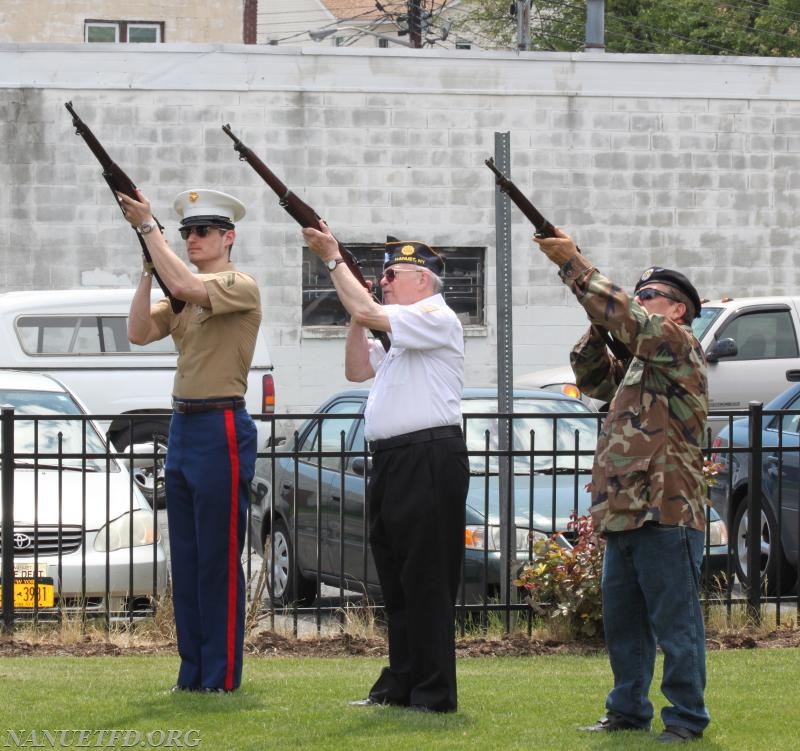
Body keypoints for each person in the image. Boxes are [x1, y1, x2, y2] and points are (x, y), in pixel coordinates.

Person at [533, 228, 710, 744]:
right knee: (626, 625)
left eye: (650, 296)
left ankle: (686, 719)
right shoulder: (639, 366)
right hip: (624, 510)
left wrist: (574, 265)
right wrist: (597, 322)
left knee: (677, 628)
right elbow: (589, 375)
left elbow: (628, 319)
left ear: (677, 311)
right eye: (639, 294)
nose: (640, 300)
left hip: (666, 511)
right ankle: (628, 710)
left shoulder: (678, 347)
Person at [302, 224, 469, 713]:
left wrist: (335, 259)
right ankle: (402, 683)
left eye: (393, 273)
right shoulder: (396, 325)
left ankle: (434, 691)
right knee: (395, 580)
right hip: (393, 461)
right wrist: (359, 316)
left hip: (429, 456)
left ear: (424, 280)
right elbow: (356, 369)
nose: (385, 279)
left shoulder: (436, 317)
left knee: (427, 579)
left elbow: (372, 310)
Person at [118, 187, 261, 693]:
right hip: (183, 426)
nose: (193, 239)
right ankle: (192, 673)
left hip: (221, 424)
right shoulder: (178, 289)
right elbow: (136, 332)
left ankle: (220, 676)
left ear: (228, 238)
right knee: (186, 555)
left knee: (217, 558)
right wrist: (144, 269)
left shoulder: (238, 284)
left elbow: (183, 279)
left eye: (202, 232)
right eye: (187, 233)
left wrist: (148, 228)